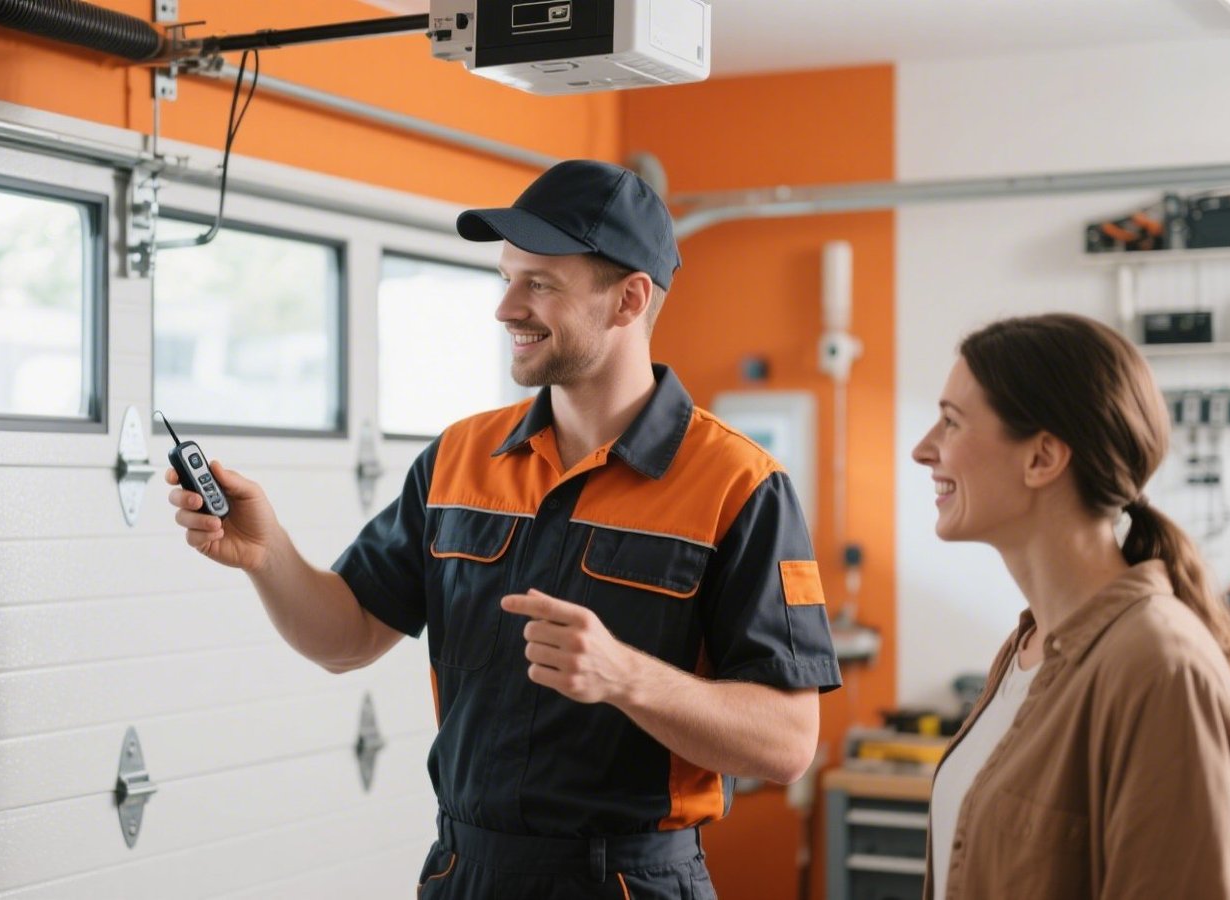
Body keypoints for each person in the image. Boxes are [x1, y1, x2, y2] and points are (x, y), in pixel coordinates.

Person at [168, 159, 842, 899]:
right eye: (506, 278)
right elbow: (347, 638)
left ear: (629, 300)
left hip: (628, 881)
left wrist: (624, 677)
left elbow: (786, 743)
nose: (506, 308)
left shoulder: (738, 485)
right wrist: (268, 556)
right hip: (466, 871)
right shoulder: (460, 458)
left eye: (540, 284)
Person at [911, 313, 1230, 900]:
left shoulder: (1159, 667)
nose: (924, 449)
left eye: (951, 422)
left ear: (1043, 458)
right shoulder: (1026, 651)